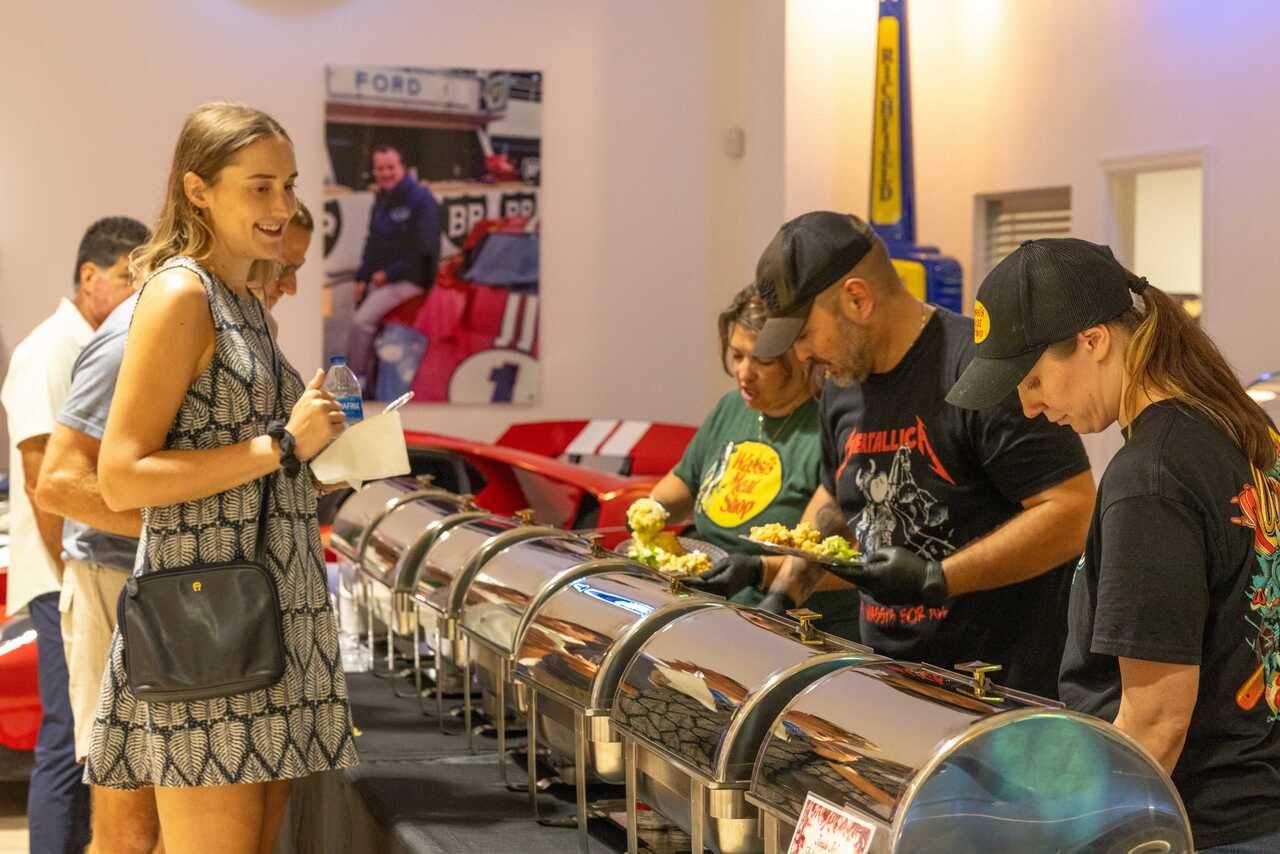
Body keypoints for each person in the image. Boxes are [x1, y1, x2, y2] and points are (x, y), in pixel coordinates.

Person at [84, 102, 357, 854]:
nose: (283, 206)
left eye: (289, 186)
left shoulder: (242, 301)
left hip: (264, 614)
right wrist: (281, 444)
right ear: (199, 190)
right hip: (209, 625)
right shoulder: (183, 293)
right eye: (260, 187)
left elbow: (247, 458)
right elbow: (122, 475)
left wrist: (316, 457)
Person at [946, 238, 1280, 851]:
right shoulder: (1234, 428)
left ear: (1094, 341)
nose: (1029, 405)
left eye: (1033, 378)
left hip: (1202, 824)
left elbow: (1156, 721)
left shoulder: (1149, 479)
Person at [35, 204, 313, 853]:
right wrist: (188, 530)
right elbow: (59, 481)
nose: (292, 283)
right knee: (130, 829)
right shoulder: (152, 318)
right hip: (127, 585)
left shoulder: (249, 326)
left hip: (211, 591)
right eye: (285, 263)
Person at [751, 211, 1096, 698]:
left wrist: (938, 578)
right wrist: (780, 595)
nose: (802, 355)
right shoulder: (842, 385)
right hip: (889, 683)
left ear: (857, 298)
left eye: (804, 334)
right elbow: (837, 500)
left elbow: (1073, 512)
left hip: (997, 694)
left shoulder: (976, 371)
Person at [1, 215, 148, 854]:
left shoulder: (91, 344)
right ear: (90, 277)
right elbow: (45, 480)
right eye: (127, 278)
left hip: (81, 570)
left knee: (92, 740)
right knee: (68, 742)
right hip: (59, 574)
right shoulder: (50, 350)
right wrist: (71, 580)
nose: (138, 293)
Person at [636, 285, 860, 639]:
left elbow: (848, 562)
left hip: (793, 624)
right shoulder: (731, 408)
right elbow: (686, 479)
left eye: (763, 361)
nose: (744, 372)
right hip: (711, 610)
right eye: (737, 356)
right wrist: (651, 509)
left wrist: (758, 570)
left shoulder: (833, 425)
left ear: (802, 356)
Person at [347, 144, 441, 389]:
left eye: (390, 167)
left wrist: (388, 274)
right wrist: (361, 278)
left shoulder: (422, 200)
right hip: (385, 278)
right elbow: (373, 242)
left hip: (413, 278)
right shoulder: (382, 198)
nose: (385, 173)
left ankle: (354, 382)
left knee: (361, 322)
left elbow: (425, 250)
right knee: (360, 305)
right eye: (380, 169)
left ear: (404, 168)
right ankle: (372, 373)